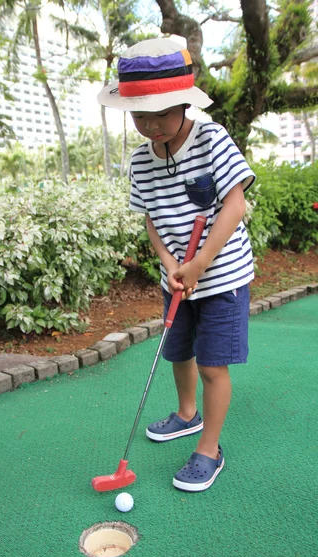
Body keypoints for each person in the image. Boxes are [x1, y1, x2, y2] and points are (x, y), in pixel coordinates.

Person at [98, 37, 255, 492]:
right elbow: (151, 218)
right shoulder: (141, 161)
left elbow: (235, 205)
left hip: (221, 274)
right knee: (178, 352)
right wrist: (169, 260)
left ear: (185, 103)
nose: (151, 124)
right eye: (140, 115)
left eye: (162, 112)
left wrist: (202, 261)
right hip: (177, 276)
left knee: (212, 365)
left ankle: (209, 449)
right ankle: (187, 414)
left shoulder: (211, 138)